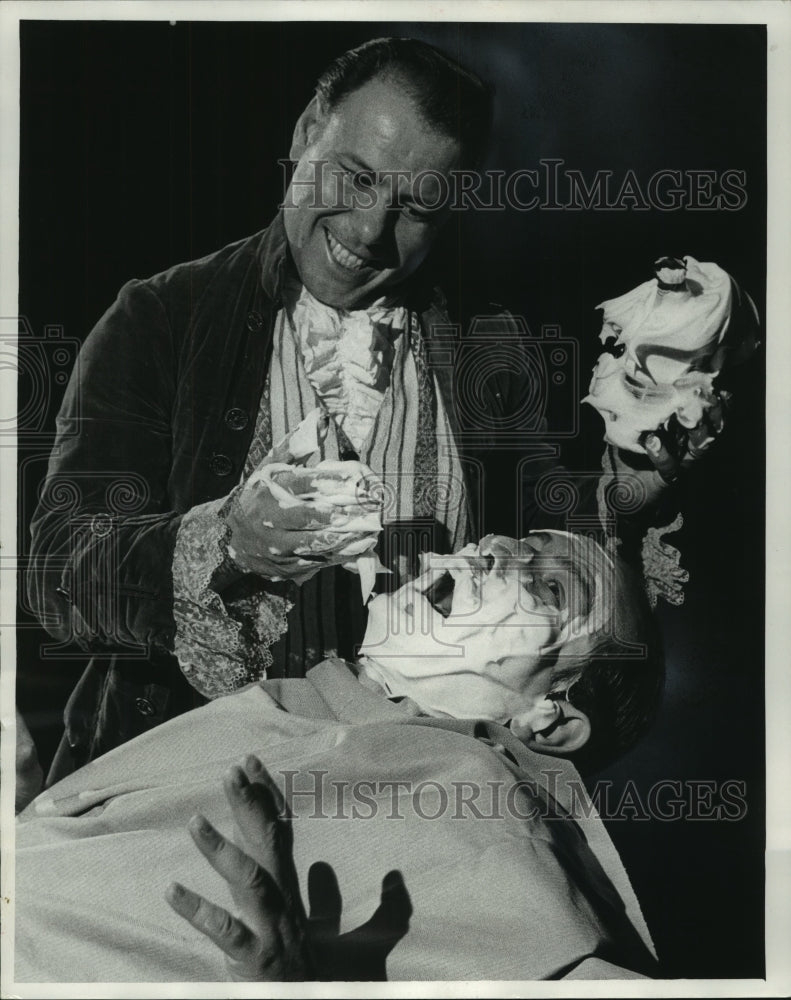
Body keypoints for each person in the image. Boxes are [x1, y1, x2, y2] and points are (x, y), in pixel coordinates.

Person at [23, 36, 722, 782]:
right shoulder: (162, 318)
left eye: (415, 208)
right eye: (354, 177)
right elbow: (58, 570)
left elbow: (540, 567)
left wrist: (629, 489)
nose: (366, 231)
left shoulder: (489, 340)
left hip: (401, 807)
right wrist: (226, 544)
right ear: (304, 133)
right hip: (179, 792)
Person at [15, 531, 663, 982]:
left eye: (550, 586)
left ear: (546, 721)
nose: (494, 548)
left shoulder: (482, 806)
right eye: (514, 540)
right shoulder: (301, 704)